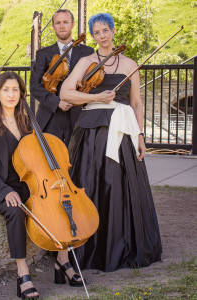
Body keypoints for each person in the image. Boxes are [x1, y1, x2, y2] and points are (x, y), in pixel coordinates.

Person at [60, 13, 162, 271]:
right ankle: (87, 247)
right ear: (93, 36)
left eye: (105, 30)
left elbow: (136, 103)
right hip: (91, 131)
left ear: (113, 31)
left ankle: (121, 246)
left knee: (118, 187)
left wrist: (140, 135)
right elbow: (66, 93)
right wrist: (95, 98)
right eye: (97, 32)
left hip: (122, 131)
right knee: (89, 185)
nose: (102, 36)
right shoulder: (86, 61)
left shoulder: (130, 64)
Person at [0, 71, 84, 300]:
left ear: (22, 94)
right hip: (0, 186)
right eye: (6, 89)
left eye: (15, 90)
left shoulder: (27, 123)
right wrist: (5, 191)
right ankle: (23, 274)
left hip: (28, 183)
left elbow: (37, 156)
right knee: (15, 211)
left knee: (56, 201)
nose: (11, 94)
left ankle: (62, 261)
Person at [30, 9, 94, 146]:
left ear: (72, 24)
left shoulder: (88, 52)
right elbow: (34, 87)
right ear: (53, 26)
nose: (61, 26)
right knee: (49, 160)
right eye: (58, 23)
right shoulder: (43, 54)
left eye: (65, 22)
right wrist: (57, 102)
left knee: (77, 161)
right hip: (50, 115)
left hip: (78, 114)